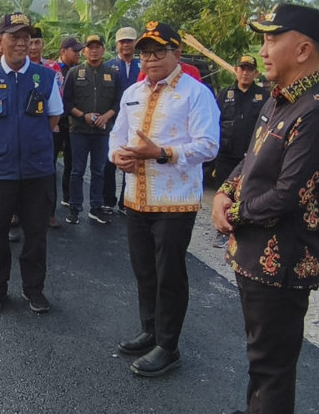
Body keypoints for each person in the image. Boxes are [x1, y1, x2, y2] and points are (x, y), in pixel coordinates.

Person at [213, 3, 319, 414]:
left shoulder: (312, 111)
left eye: (273, 39)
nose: (263, 50)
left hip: (283, 262)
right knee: (261, 353)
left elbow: (287, 195)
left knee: (273, 363)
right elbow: (250, 159)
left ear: (304, 49)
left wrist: (232, 214)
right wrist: (223, 192)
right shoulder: (280, 99)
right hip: (255, 254)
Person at [110, 21, 219, 377]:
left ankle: (168, 346)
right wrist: (118, 157)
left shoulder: (195, 93)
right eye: (145, 52)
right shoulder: (132, 92)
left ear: (177, 54)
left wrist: (161, 152)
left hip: (174, 201)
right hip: (135, 198)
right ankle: (151, 329)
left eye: (159, 52)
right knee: (143, 269)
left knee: (169, 273)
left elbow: (208, 145)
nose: (151, 59)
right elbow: (117, 136)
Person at [0, 12, 63, 313]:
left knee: (35, 236)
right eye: (15, 37)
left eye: (26, 37)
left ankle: (34, 290)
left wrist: (31, 145)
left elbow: (53, 118)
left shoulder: (46, 77)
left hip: (37, 171)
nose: (22, 43)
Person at [211, 55, 269, 249]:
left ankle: (243, 232)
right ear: (235, 70)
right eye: (242, 68)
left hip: (250, 155)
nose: (245, 72)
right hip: (225, 154)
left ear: (256, 73)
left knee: (246, 194)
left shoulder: (264, 97)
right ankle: (222, 231)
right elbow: (215, 122)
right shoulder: (225, 94)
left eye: (249, 69)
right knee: (224, 193)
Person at [63, 34, 120, 225]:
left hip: (103, 131)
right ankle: (74, 208)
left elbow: (118, 103)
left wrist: (107, 116)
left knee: (99, 170)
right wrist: (82, 115)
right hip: (79, 130)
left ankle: (96, 207)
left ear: (104, 49)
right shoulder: (74, 73)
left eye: (97, 46)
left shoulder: (112, 73)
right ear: (85, 51)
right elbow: (66, 102)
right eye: (90, 47)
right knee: (77, 171)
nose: (94, 50)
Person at [104, 27, 140, 215]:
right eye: (122, 41)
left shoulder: (142, 66)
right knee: (110, 161)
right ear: (117, 44)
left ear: (135, 43)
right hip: (113, 120)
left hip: (137, 121)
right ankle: (108, 200)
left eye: (129, 41)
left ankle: (126, 202)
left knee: (132, 159)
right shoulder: (109, 66)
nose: (125, 44)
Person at [49, 37, 82, 220]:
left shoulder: (79, 70)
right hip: (57, 122)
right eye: (74, 50)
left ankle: (68, 197)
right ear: (63, 51)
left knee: (71, 161)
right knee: (51, 163)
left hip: (74, 123)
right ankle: (49, 207)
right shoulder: (53, 69)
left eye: (78, 51)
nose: (78, 54)